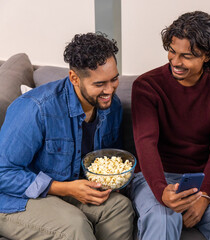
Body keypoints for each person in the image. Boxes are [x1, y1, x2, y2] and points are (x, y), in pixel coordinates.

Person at [130, 11, 210, 240]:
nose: (175, 62)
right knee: (163, 217)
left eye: (186, 56)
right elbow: (145, 143)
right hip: (152, 177)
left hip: (198, 181)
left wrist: (205, 195)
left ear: (206, 56)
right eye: (172, 51)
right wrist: (161, 191)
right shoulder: (146, 87)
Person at [0, 32, 134, 240]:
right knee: (73, 226)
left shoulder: (111, 107)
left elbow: (107, 159)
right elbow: (3, 173)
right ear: (74, 78)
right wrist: (64, 188)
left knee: (119, 208)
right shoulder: (36, 108)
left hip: (69, 188)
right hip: (14, 199)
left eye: (114, 79)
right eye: (100, 84)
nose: (110, 90)